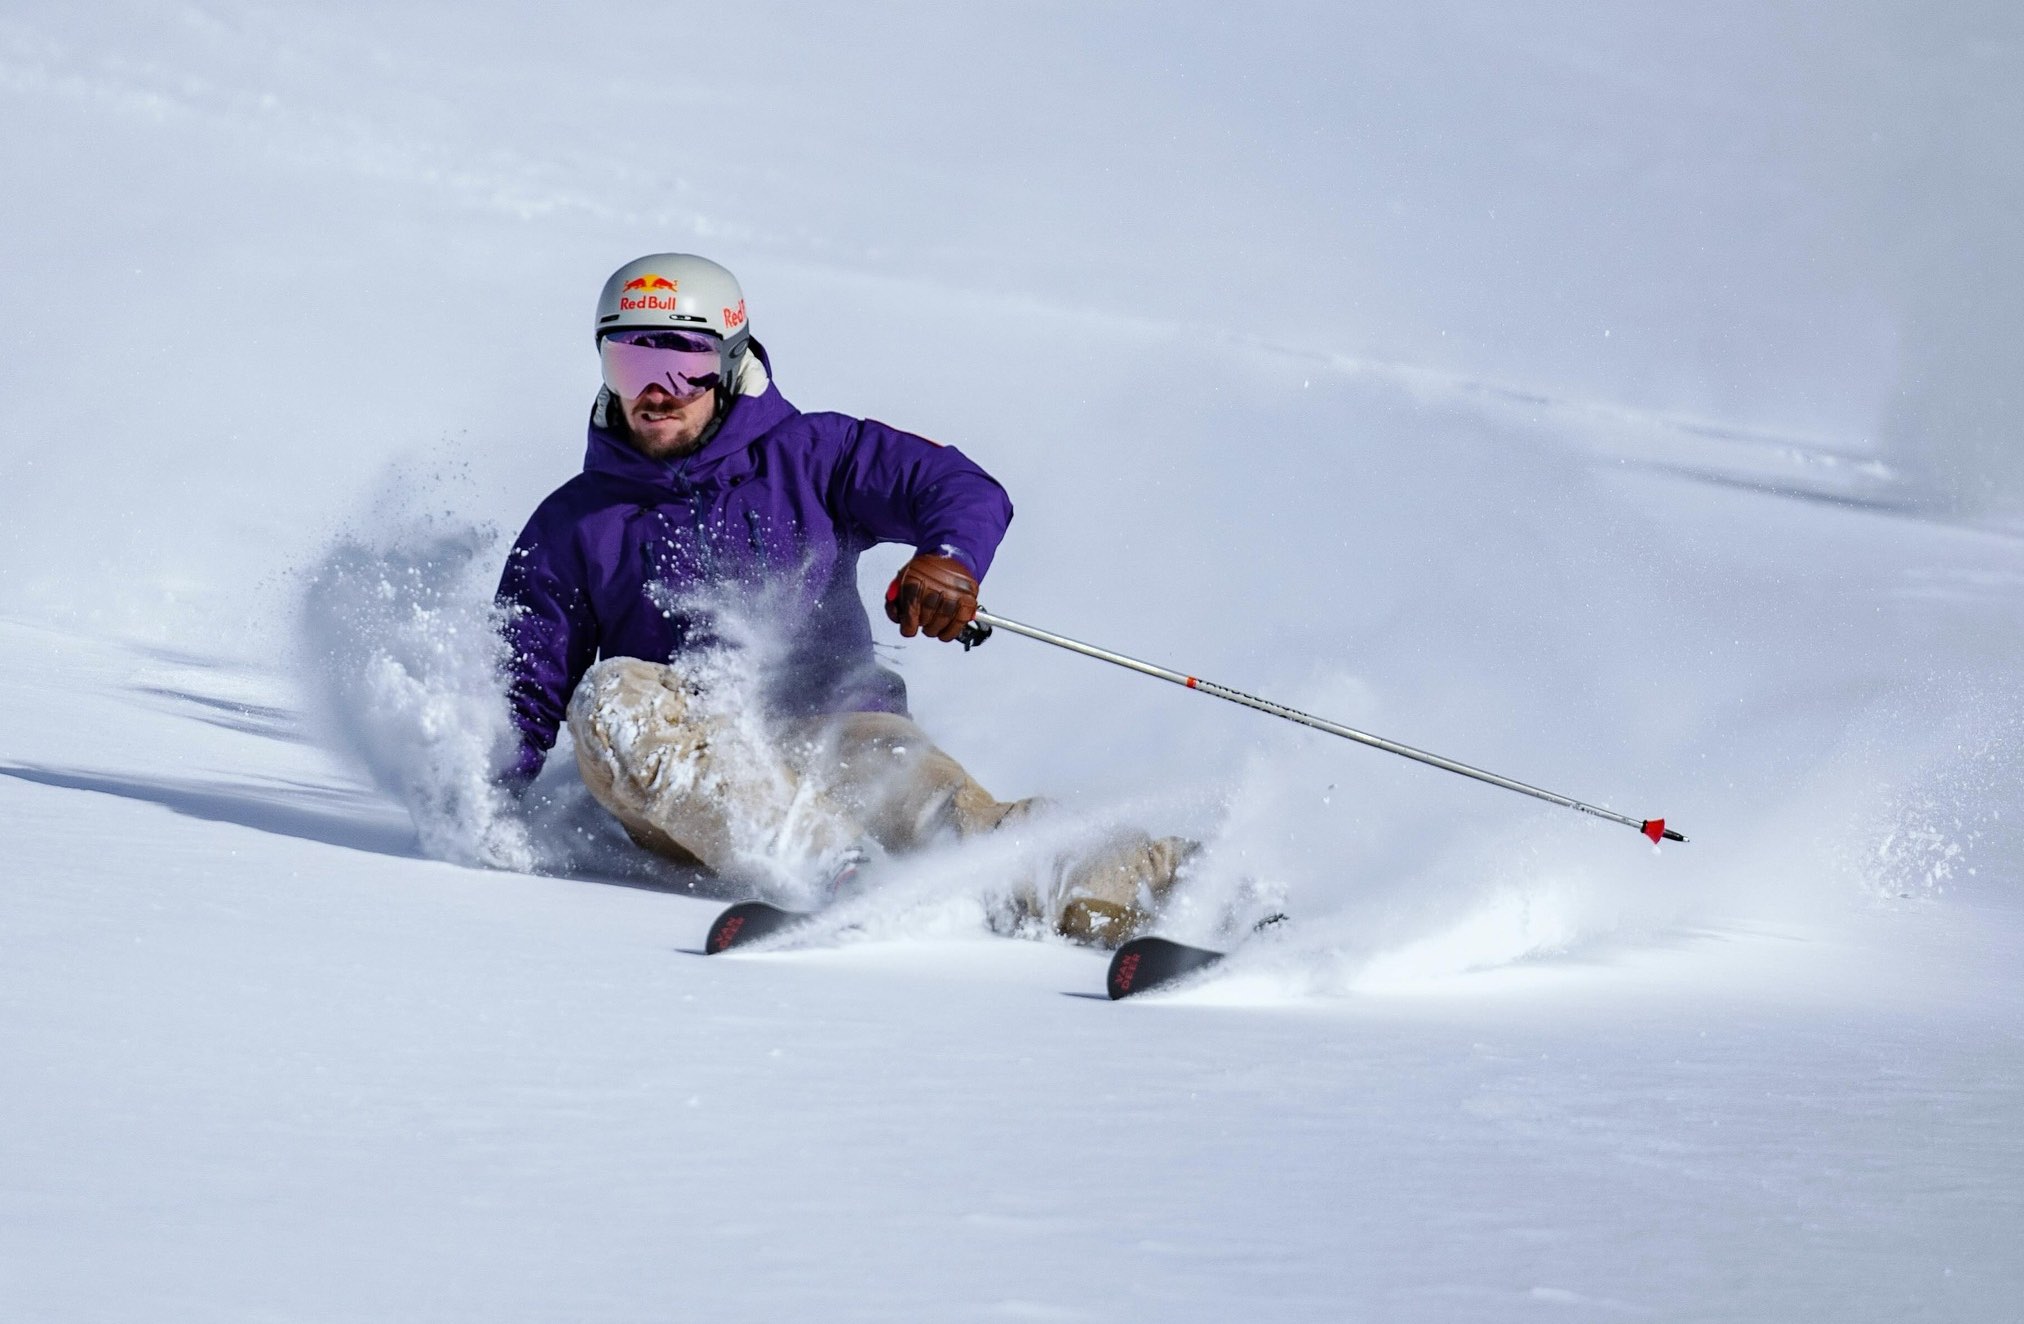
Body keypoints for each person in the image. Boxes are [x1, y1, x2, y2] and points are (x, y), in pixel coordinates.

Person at [494, 253, 1191, 944]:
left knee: (964, 833)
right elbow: (521, 688)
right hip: (688, 781)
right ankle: (837, 867)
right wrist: (479, 800)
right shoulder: (572, 523)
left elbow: (957, 487)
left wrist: (949, 562)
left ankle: (1181, 887)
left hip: (840, 729)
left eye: (685, 364)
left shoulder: (811, 453)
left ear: (732, 363)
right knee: (611, 699)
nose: (658, 390)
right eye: (632, 366)